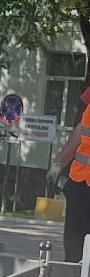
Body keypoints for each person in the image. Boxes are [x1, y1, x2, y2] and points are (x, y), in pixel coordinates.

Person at [54, 87, 90, 264]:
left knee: (78, 243)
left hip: (81, 184)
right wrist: (58, 163)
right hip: (81, 183)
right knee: (75, 243)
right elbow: (81, 130)